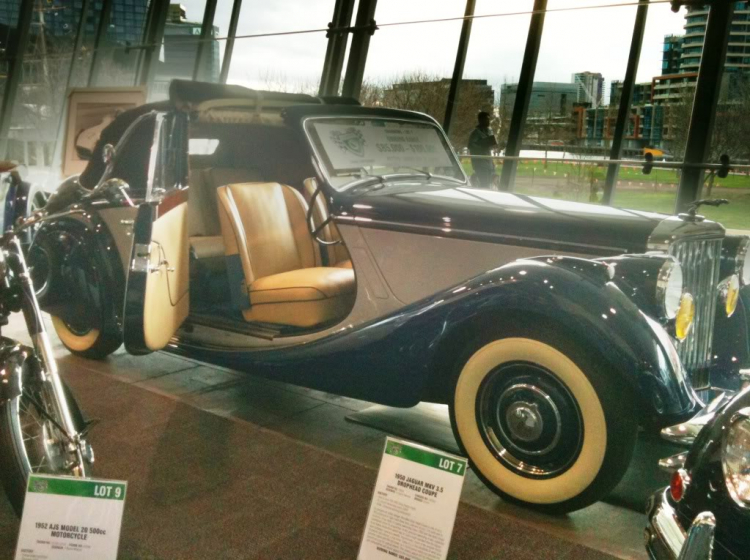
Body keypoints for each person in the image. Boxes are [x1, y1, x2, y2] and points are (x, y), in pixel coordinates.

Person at [467, 111, 497, 188]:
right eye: (487, 119)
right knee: (485, 184)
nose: (489, 121)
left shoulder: (489, 131)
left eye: (489, 119)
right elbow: (470, 145)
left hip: (488, 161)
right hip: (480, 163)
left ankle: (475, 179)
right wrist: (482, 146)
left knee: (490, 183)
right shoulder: (476, 133)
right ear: (480, 120)